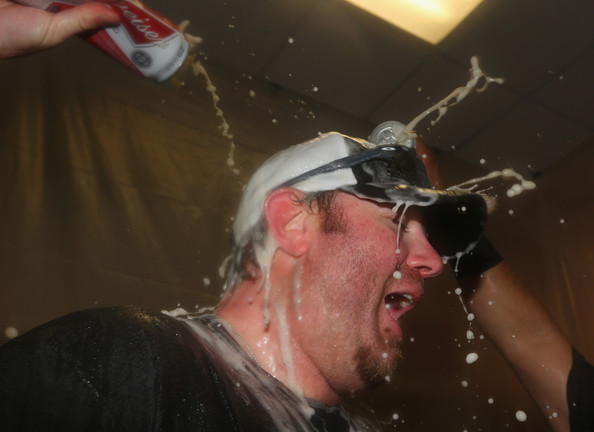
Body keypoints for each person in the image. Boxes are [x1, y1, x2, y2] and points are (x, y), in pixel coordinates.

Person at [0, 9, 593, 431]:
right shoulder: (124, 363)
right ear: (292, 222)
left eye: (432, 238)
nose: (433, 262)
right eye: (397, 222)